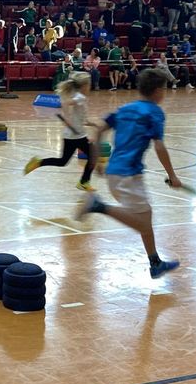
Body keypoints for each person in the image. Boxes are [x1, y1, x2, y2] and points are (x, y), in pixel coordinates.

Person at [74, 69, 183, 279]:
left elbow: (99, 129)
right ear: (159, 91)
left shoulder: (125, 108)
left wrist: (96, 160)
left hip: (116, 172)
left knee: (146, 217)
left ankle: (155, 263)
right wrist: (173, 175)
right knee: (143, 223)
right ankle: (98, 206)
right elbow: (159, 146)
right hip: (128, 175)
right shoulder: (154, 113)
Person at [24, 72, 98, 191]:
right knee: (93, 156)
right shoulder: (80, 97)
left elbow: (81, 118)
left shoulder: (78, 96)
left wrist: (92, 124)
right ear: (84, 86)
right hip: (76, 136)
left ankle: (38, 162)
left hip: (74, 135)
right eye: (89, 85)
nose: (90, 87)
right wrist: (67, 117)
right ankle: (84, 182)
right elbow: (64, 103)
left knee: (63, 161)